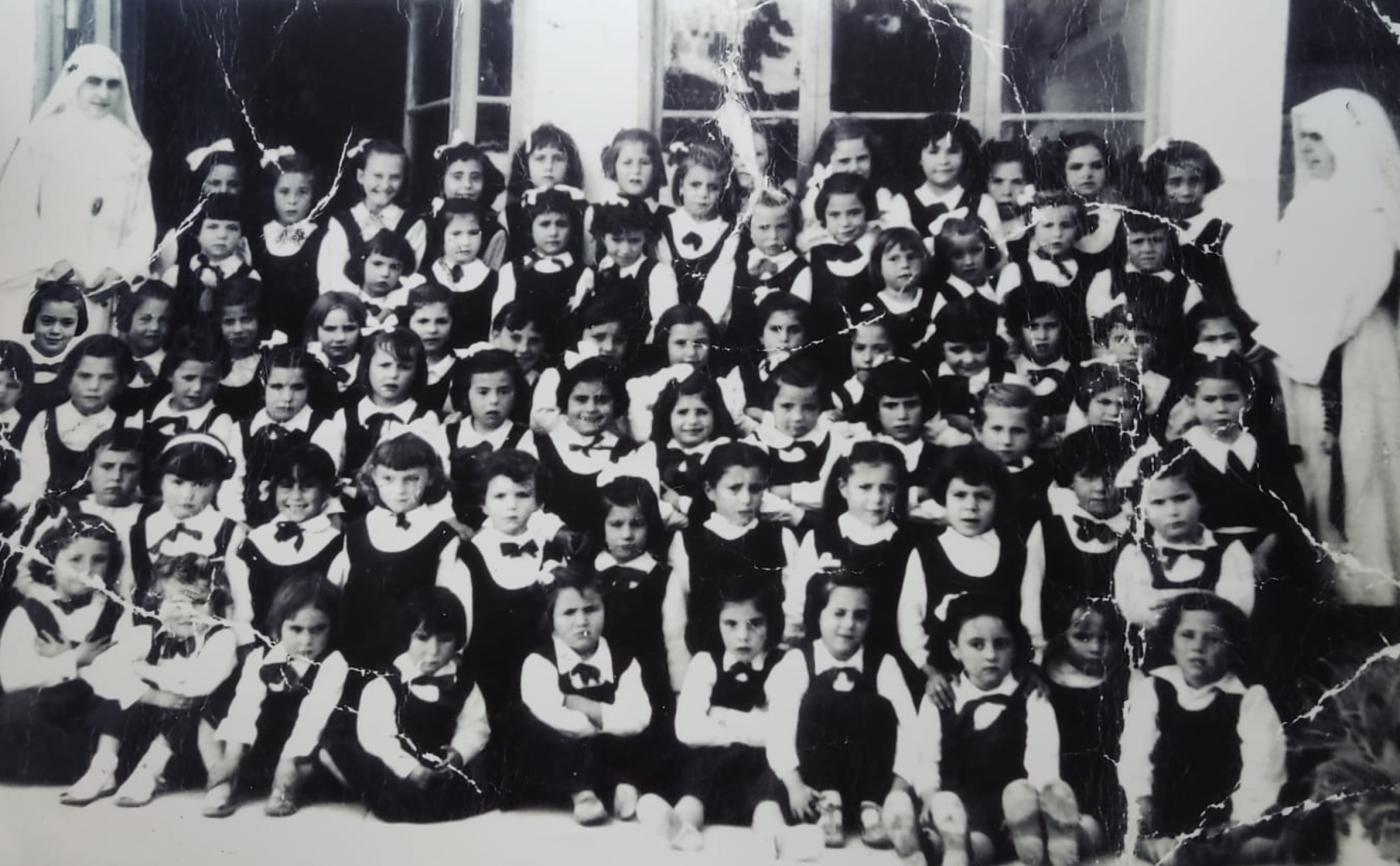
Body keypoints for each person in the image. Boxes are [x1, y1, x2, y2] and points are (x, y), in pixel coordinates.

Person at [1244, 88, 1400, 615]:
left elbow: (1358, 285)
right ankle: (1317, 567)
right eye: (1303, 137)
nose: (1308, 149)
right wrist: (1275, 328)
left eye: (1319, 137)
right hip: (1301, 341)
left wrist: (1289, 335)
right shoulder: (1308, 201)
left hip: (1349, 344)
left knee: (1355, 452)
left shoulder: (1372, 206)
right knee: (1308, 452)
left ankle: (1365, 575)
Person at [0, 44, 155, 333]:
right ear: (74, 83)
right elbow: (14, 211)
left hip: (101, 287)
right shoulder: (41, 139)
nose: (103, 94)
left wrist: (117, 270)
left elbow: (141, 223)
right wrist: (53, 263)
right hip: (46, 277)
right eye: (93, 82)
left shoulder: (133, 149)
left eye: (112, 85)